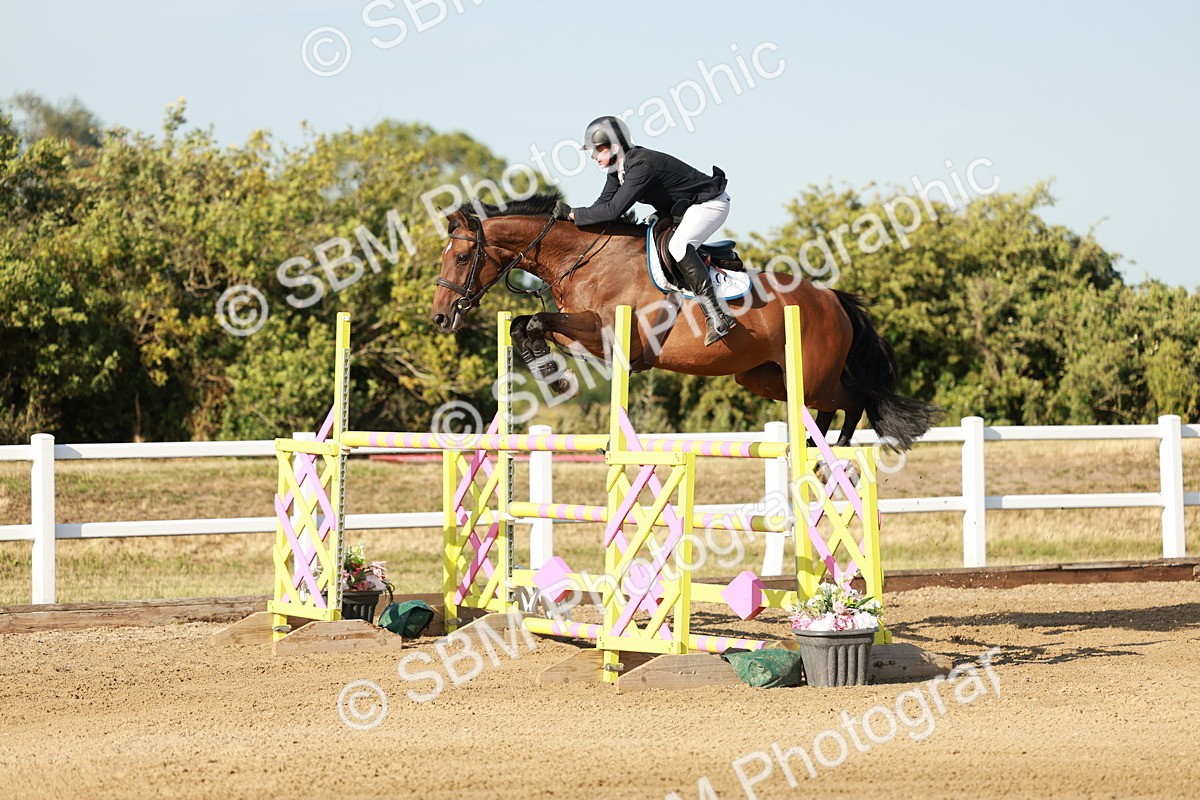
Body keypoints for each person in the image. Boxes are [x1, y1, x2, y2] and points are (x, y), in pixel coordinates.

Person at [553, 116, 737, 346]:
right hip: (683, 209)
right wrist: (570, 220)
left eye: (597, 149)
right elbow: (601, 205)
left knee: (678, 246)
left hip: (709, 204)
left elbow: (613, 211)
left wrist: (573, 214)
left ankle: (718, 315)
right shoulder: (617, 169)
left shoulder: (641, 165)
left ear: (615, 147)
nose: (593, 155)